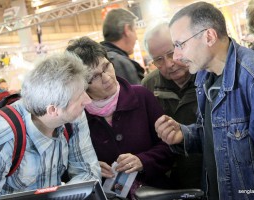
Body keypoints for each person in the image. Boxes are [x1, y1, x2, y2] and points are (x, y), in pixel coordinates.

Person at [155, 2, 254, 199]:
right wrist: (184, 135)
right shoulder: (204, 77)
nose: (176, 56)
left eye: (180, 44)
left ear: (209, 36)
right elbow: (216, 135)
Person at [0, 52, 101, 200]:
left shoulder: (74, 115)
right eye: (79, 96)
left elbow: (88, 173)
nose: (88, 100)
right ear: (53, 110)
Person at [66, 37, 174, 199]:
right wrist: (89, 170)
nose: (106, 78)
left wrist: (142, 161)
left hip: (154, 192)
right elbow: (64, 169)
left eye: (106, 67)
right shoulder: (74, 117)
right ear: (81, 84)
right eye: (94, 77)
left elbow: (170, 147)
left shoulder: (142, 97)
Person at [142, 20, 202, 189]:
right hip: (171, 180)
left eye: (171, 53)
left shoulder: (207, 74)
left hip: (210, 171)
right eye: (159, 60)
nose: (169, 64)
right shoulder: (148, 86)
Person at [101, 8, 144, 84]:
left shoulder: (99, 59)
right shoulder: (122, 64)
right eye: (134, 30)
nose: (136, 37)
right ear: (127, 30)